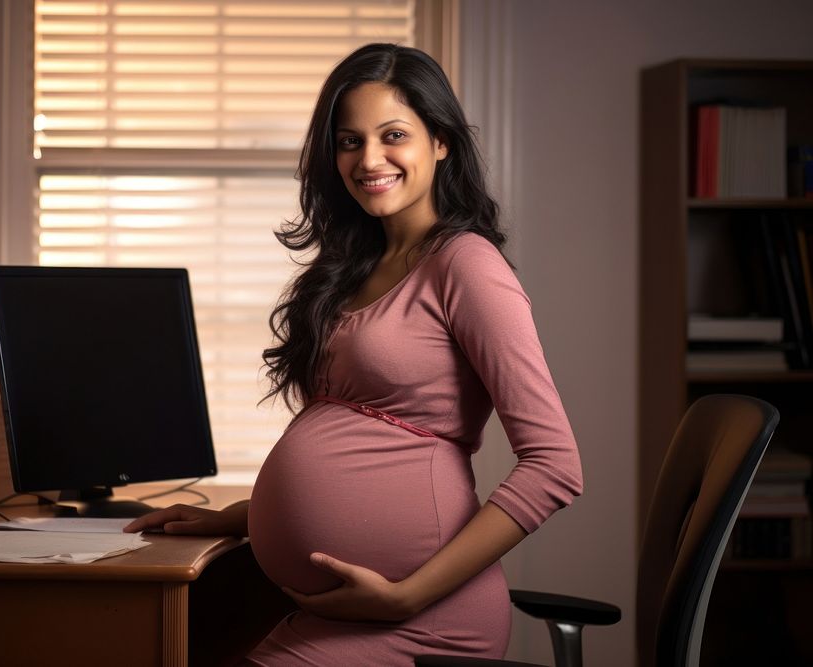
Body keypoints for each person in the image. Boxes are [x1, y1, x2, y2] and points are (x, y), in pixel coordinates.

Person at [125, 43, 583, 665]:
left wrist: (407, 597)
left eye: (394, 135)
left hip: (418, 621)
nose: (369, 160)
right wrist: (245, 516)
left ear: (441, 141)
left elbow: (554, 465)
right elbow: (346, 441)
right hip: (326, 609)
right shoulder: (352, 268)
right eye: (348, 141)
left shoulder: (466, 265)